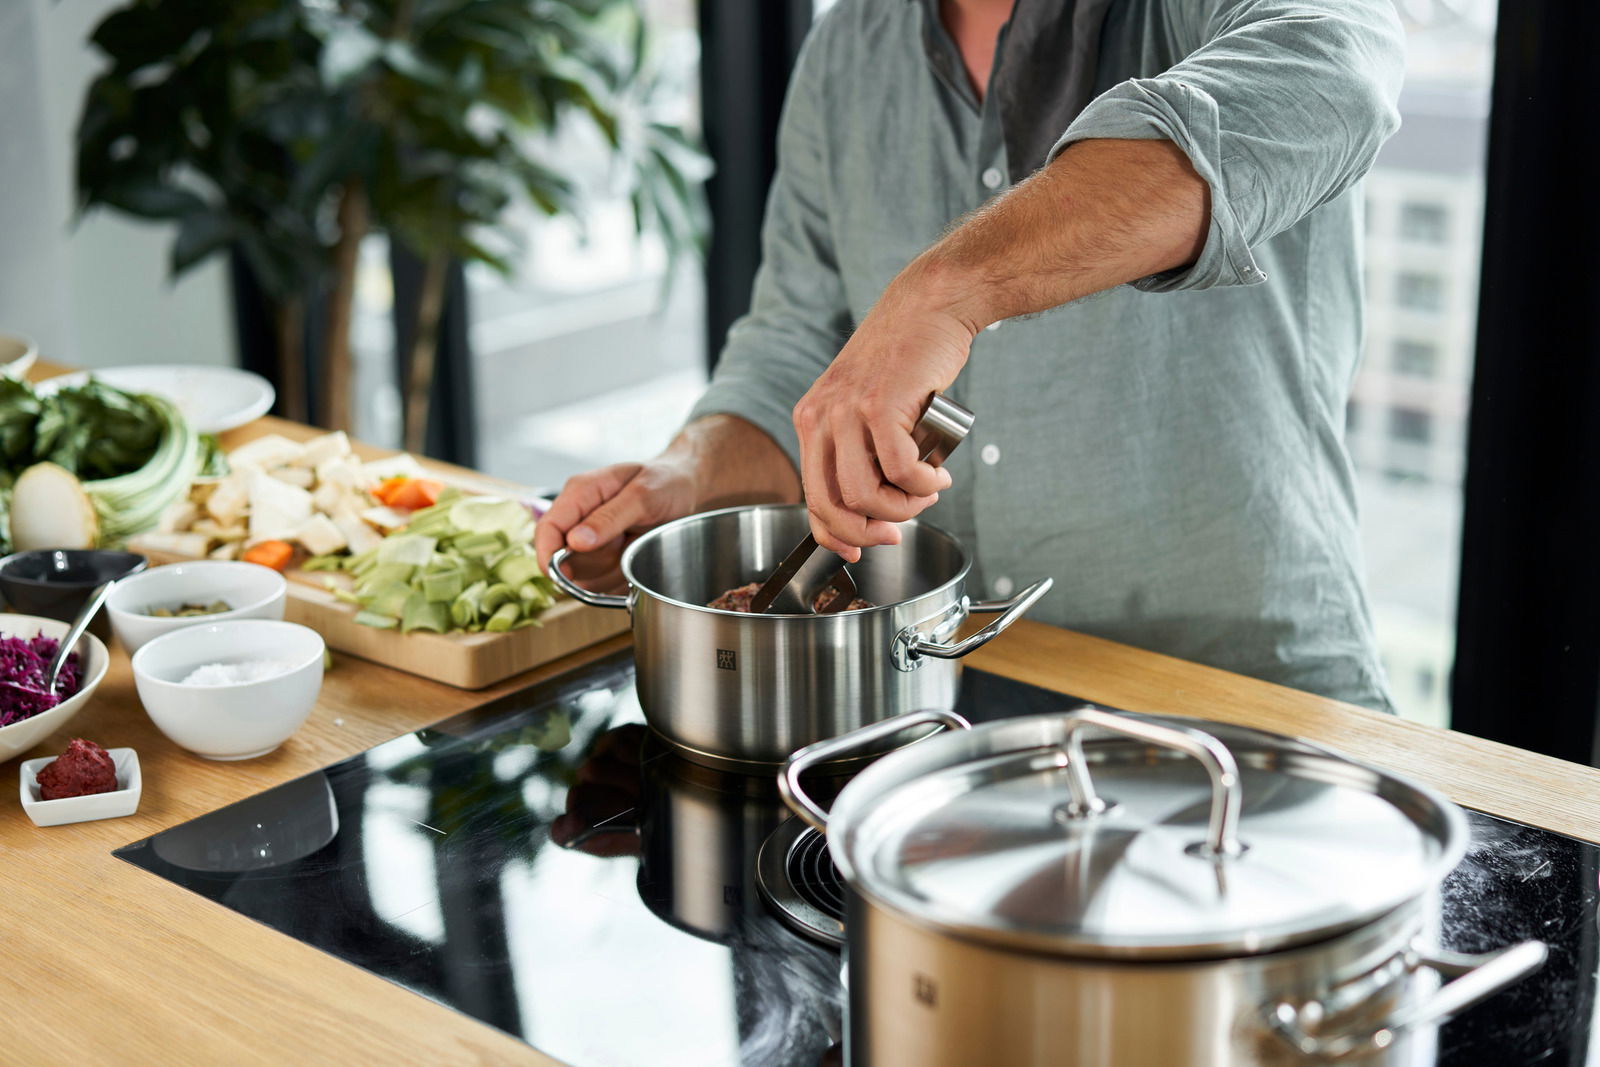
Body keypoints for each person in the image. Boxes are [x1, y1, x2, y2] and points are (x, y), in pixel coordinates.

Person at [535, 0, 1406, 712]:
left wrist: (944, 291)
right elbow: (793, 349)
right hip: (940, 705)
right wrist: (685, 478)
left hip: (1245, 701)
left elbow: (1337, 71)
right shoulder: (846, 48)